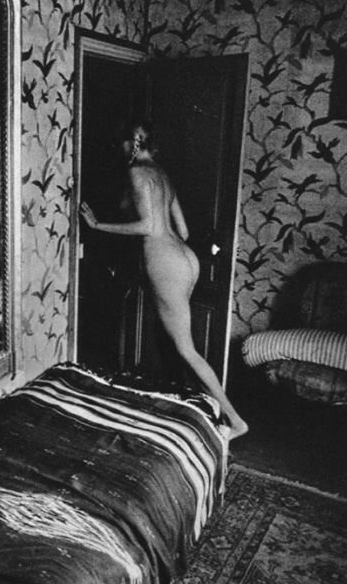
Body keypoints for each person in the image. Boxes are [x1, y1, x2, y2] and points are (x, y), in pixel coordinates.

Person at [80, 120, 248, 440]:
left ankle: (235, 420)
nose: (121, 149)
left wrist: (98, 225)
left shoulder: (136, 173)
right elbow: (183, 230)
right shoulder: (163, 174)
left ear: (134, 142)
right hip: (186, 258)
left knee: (186, 348)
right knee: (175, 340)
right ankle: (194, 411)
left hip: (166, 261)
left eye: (123, 143)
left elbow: (147, 226)